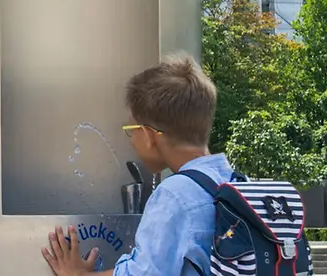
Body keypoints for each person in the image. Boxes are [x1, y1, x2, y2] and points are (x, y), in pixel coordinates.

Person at [42, 53, 237, 276]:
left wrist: (80, 275)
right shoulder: (233, 183)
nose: (131, 141)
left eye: (130, 130)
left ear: (147, 135)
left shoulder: (174, 195)